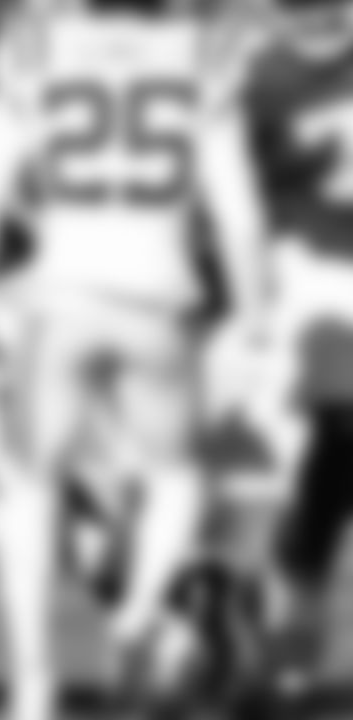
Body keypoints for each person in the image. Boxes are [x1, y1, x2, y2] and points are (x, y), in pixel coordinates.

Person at [0, 0, 268, 719]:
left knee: (29, 487)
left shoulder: (31, 44)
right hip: (160, 296)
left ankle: (32, 682)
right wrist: (254, 317)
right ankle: (140, 611)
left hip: (60, 297)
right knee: (177, 477)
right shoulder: (202, 54)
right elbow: (239, 212)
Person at [247, 0, 353, 697]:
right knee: (327, 449)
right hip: (310, 273)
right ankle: (287, 642)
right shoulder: (262, 80)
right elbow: (237, 191)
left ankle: (289, 644)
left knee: (330, 459)